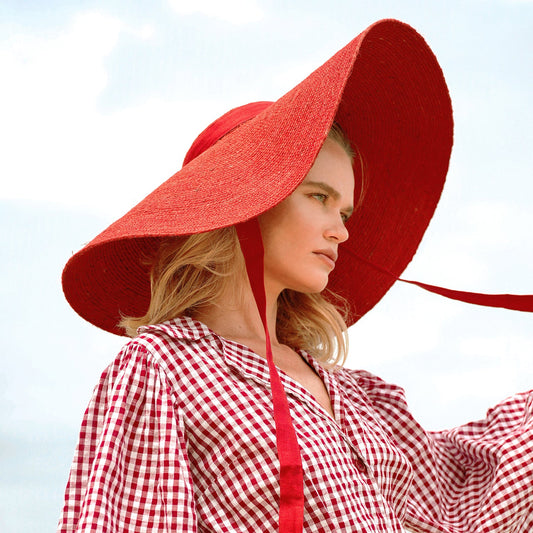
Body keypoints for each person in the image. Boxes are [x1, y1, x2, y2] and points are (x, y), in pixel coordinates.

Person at [57, 19, 533, 533]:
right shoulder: (162, 371)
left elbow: (476, 485)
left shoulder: (361, 398)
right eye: (320, 197)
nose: (341, 233)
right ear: (248, 203)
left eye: (345, 212)